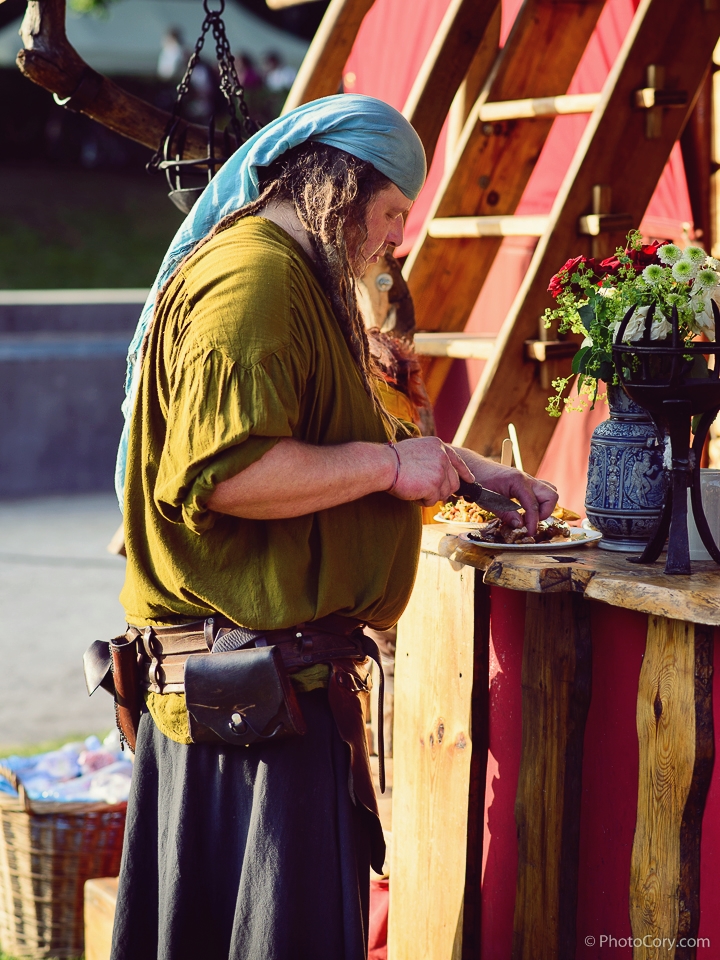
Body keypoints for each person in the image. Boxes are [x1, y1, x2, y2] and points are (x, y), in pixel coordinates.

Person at [109, 94, 557, 960]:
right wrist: (393, 468)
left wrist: (459, 463)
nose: (395, 238)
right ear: (338, 186)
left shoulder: (294, 277)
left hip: (276, 701)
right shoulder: (256, 280)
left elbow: (321, 432)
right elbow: (227, 471)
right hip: (248, 717)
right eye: (390, 213)